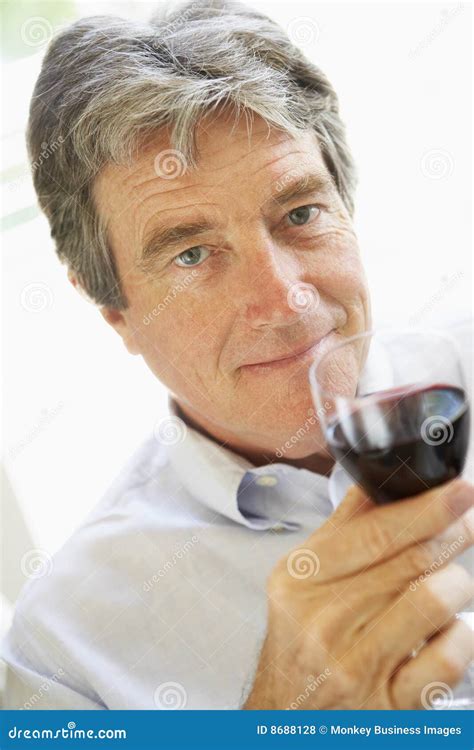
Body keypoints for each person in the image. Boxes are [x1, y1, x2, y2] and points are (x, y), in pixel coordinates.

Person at [2, 0, 472, 710]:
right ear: (114, 312)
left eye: (302, 213)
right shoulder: (59, 659)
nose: (284, 300)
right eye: (192, 254)